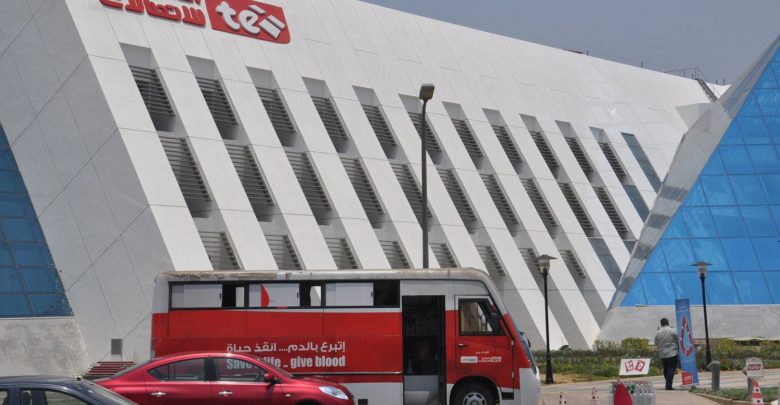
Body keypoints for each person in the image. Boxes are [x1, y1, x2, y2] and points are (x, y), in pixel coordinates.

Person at [654, 318, 679, 390]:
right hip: (672, 353)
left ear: (661, 324)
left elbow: (655, 343)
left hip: (663, 354)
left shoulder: (658, 332)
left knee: (665, 369)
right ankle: (668, 385)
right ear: (668, 323)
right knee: (671, 369)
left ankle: (668, 383)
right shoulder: (672, 330)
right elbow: (678, 340)